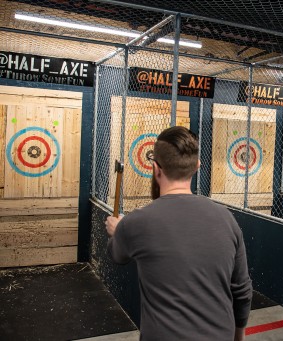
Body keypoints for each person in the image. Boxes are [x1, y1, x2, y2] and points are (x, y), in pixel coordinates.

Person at [105, 126, 253, 341]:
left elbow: (116, 255)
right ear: (197, 167)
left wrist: (117, 231)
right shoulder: (226, 218)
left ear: (156, 168)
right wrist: (238, 336)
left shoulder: (136, 223)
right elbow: (241, 289)